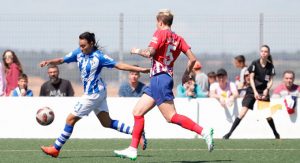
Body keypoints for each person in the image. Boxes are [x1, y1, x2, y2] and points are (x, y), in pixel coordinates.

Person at [114, 9, 214, 161]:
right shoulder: (178, 38)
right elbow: (192, 59)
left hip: (160, 79)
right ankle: (132, 148)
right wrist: (186, 74)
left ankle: (204, 131)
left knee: (171, 116)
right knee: (137, 111)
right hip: (160, 78)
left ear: (160, 22)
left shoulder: (159, 33)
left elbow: (149, 53)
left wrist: (136, 51)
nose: (156, 25)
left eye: (156, 23)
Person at [40, 32, 149, 158]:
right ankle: (137, 132)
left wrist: (140, 69)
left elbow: (118, 65)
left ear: (91, 44)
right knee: (106, 122)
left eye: (84, 45)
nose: (81, 48)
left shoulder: (99, 57)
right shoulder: (78, 53)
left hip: (94, 94)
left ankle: (56, 148)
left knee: (70, 119)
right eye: (80, 45)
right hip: (99, 92)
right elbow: (61, 60)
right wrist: (49, 61)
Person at [223, 45, 280, 139]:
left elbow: (270, 81)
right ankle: (229, 133)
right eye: (262, 51)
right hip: (252, 91)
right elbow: (251, 78)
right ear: (260, 53)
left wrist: (267, 89)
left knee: (267, 115)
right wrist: (255, 92)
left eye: (266, 51)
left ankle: (275, 133)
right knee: (243, 112)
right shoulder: (255, 63)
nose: (263, 53)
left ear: (268, 53)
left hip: (263, 91)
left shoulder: (270, 66)